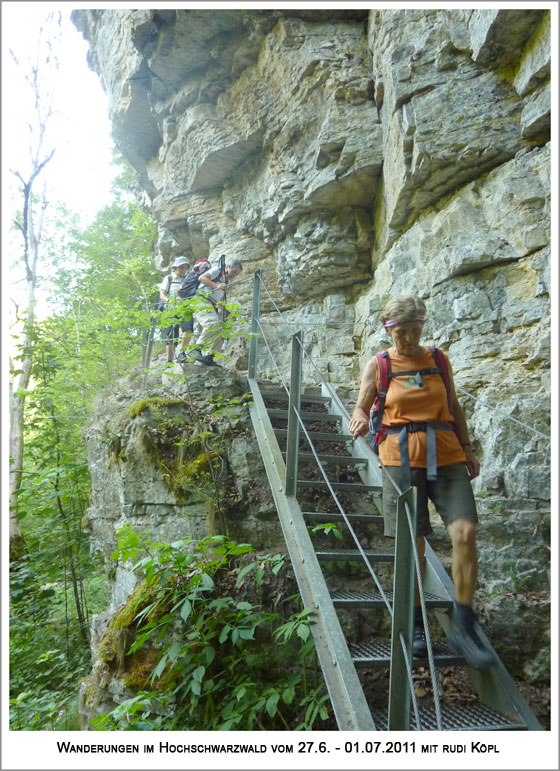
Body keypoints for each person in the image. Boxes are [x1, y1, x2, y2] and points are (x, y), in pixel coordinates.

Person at [348, 295, 494, 670]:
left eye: (415, 331)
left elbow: (454, 405)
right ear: (387, 328)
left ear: (423, 327)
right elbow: (362, 406)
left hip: (446, 456)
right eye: (401, 332)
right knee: (412, 545)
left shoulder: (439, 361)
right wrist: (360, 419)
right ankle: (415, 623)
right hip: (399, 458)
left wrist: (467, 447)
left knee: (465, 531)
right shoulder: (379, 365)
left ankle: (463, 619)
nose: (409, 339)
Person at [191, 258, 243, 367]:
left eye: (236, 274)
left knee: (221, 328)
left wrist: (228, 313)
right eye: (233, 271)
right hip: (200, 299)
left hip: (210, 302)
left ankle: (209, 356)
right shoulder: (217, 271)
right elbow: (202, 278)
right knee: (212, 323)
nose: (234, 275)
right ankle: (195, 349)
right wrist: (217, 286)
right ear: (227, 267)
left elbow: (218, 300)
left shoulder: (225, 280)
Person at [159, 256, 192, 365]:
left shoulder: (188, 279)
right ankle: (169, 362)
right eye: (181, 267)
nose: (183, 269)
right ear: (175, 268)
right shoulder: (169, 279)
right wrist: (169, 301)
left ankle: (182, 353)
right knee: (170, 336)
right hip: (170, 309)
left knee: (188, 329)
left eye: (185, 267)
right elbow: (162, 295)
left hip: (185, 308)